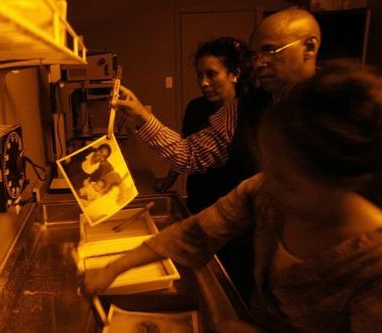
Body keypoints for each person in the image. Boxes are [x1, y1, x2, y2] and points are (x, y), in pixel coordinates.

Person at [82, 64, 382, 333]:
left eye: (286, 178)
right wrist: (113, 269)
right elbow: (195, 232)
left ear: (340, 180)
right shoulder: (264, 190)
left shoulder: (372, 264)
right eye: (270, 165)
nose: (270, 183)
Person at [115, 8, 321, 299]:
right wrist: (140, 115)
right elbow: (189, 155)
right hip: (254, 250)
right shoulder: (241, 110)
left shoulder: (342, 103)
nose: (259, 63)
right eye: (255, 54)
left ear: (309, 47)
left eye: (270, 51)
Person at [153, 37, 250, 214]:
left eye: (211, 74)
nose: (204, 83)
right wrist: (170, 179)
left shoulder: (246, 112)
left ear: (234, 74)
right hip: (199, 198)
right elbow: (186, 147)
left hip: (232, 207)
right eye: (200, 75)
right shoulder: (195, 107)